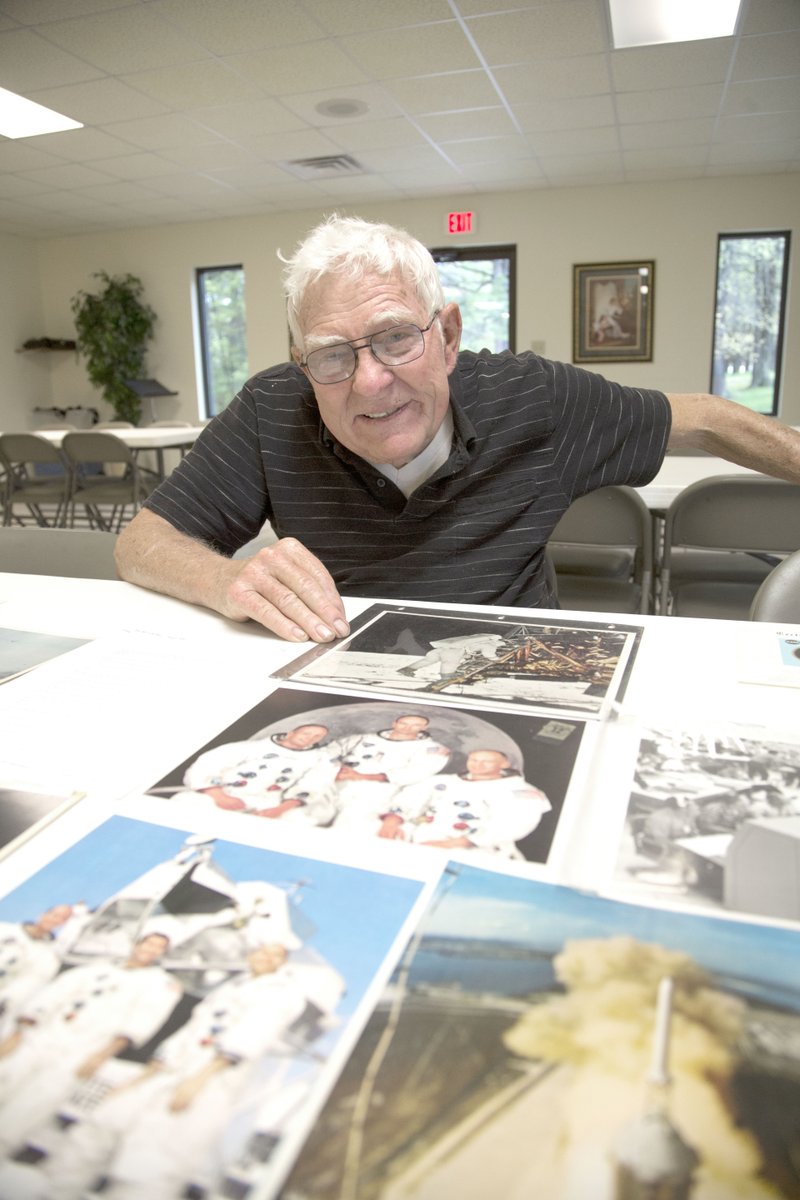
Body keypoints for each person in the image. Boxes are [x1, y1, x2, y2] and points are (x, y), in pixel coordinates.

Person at [115, 215, 800, 644]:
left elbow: (707, 421)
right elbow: (141, 543)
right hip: (346, 672)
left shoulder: (533, 397)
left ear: (446, 336)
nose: (369, 382)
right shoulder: (273, 409)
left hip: (518, 666)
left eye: (393, 338)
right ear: (302, 363)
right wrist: (224, 580)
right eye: (331, 355)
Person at [0, 932, 182, 1158]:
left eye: (159, 947)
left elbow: (141, 1021)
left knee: (36, 1101)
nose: (151, 949)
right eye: (149, 943)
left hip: (84, 1049)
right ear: (137, 944)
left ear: (163, 954)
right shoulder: (98, 969)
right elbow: (54, 993)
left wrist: (102, 1055)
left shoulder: (160, 983)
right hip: (46, 1036)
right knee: (7, 1080)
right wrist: (21, 1031)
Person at [383, 748, 551, 857]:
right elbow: (409, 797)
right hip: (418, 838)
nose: (478, 765)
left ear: (504, 764)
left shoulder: (521, 791)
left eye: (486, 761)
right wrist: (392, 821)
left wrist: (453, 844)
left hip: (476, 848)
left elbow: (514, 824)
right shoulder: (442, 781)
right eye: (474, 760)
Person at [180, 722, 338, 822]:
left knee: (299, 820)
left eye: (317, 736)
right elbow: (207, 766)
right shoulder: (248, 747)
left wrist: (279, 809)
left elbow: (316, 785)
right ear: (291, 733)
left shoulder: (318, 759)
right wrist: (219, 796)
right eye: (307, 733)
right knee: (187, 802)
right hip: (226, 793)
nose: (311, 738)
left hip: (269, 803)